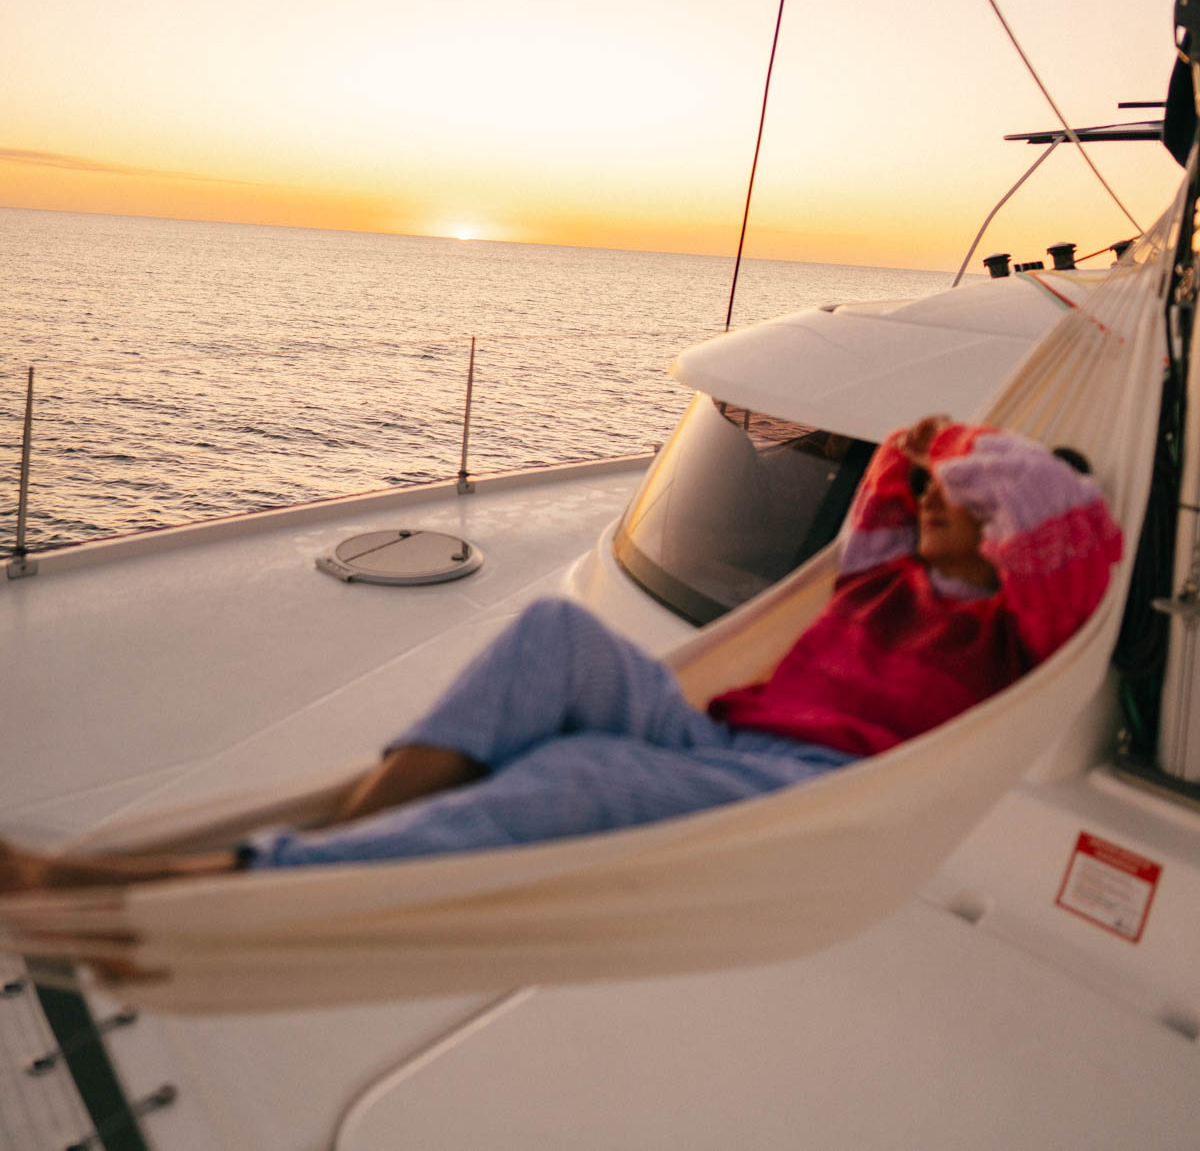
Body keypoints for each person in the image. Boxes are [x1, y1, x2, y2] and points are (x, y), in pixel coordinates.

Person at [0, 416, 1122, 895]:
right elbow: (899, 459)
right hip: (725, 731)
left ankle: (204, 880)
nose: (934, 500)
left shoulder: (1021, 627)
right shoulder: (884, 574)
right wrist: (942, 454)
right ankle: (354, 824)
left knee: (571, 777)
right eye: (939, 490)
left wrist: (1002, 470)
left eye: (968, 496)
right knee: (551, 630)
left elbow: (1076, 543)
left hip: (809, 792)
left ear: (1022, 516)